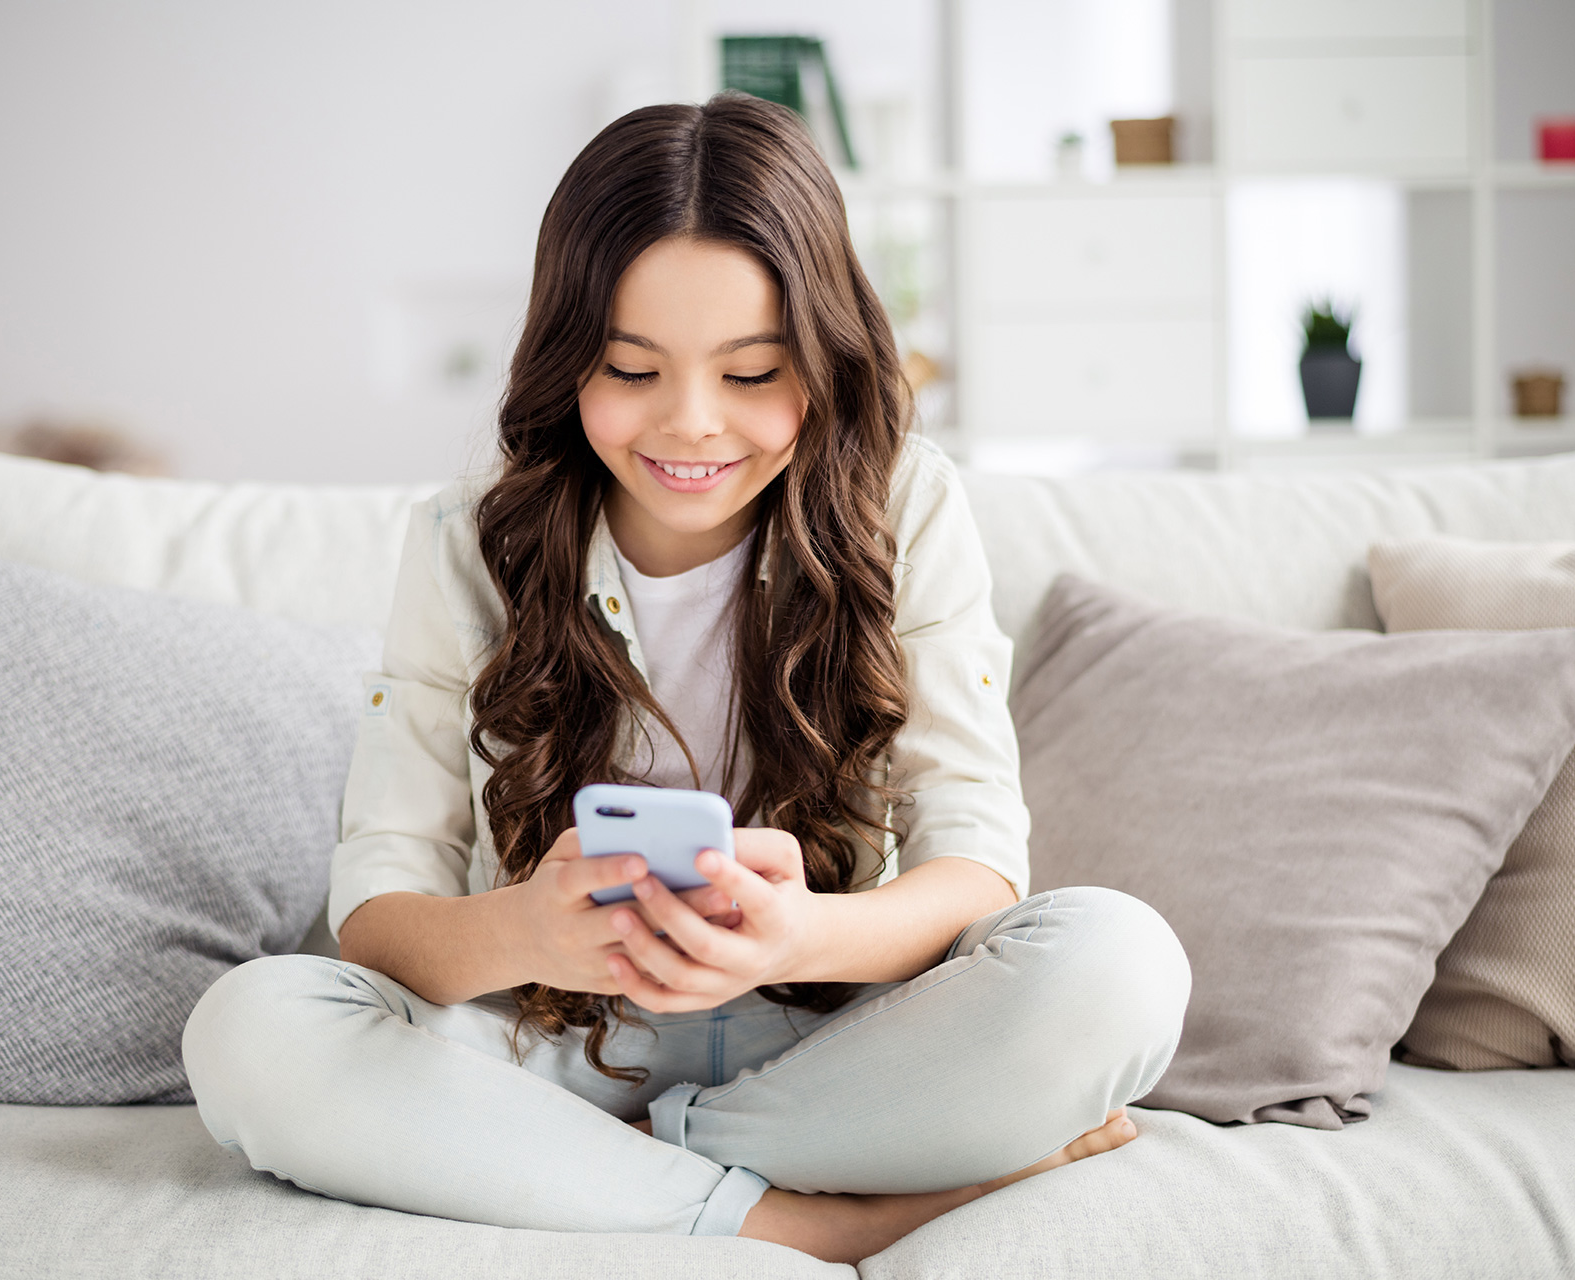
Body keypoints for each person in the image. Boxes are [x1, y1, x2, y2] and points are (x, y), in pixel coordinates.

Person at [182, 93, 1190, 1266]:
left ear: (824, 357)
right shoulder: (468, 540)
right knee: (251, 1029)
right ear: (569, 360)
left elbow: (976, 870)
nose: (693, 425)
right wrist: (529, 932)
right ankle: (796, 1216)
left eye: (755, 372)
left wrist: (796, 938)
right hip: (544, 1051)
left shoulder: (905, 506)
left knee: (1120, 960)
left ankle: (647, 1167)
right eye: (632, 367)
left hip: (828, 1052)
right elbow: (379, 918)